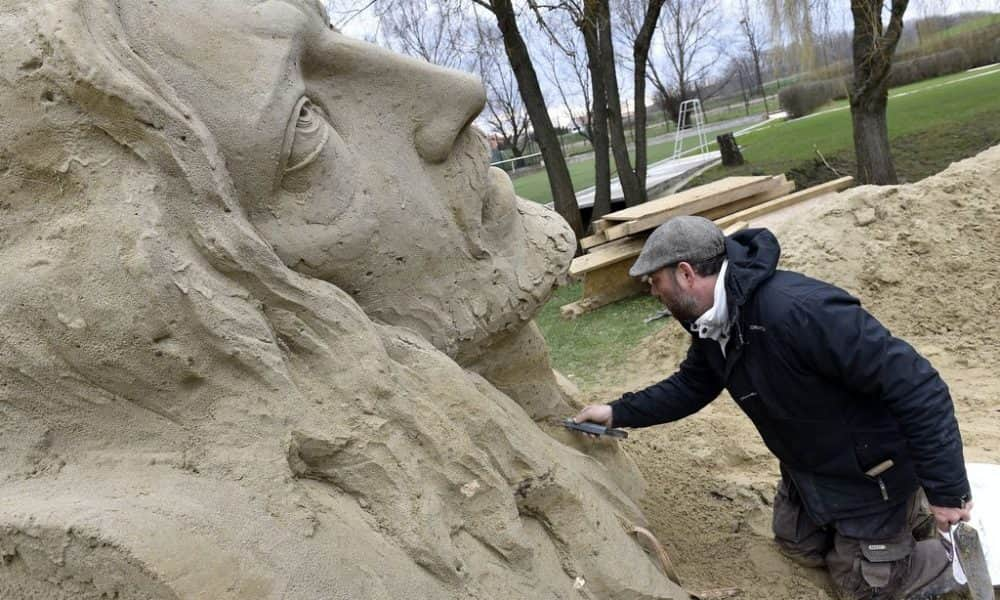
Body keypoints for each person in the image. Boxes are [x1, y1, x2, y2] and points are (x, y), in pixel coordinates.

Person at [574, 216, 974, 599]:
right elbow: (694, 384)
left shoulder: (799, 311)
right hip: (811, 469)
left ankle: (951, 550)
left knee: (865, 585)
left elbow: (920, 387)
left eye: (654, 280)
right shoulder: (715, 322)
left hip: (871, 474)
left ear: (685, 273)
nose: (653, 291)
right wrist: (616, 412)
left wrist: (948, 490)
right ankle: (894, 528)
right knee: (796, 544)